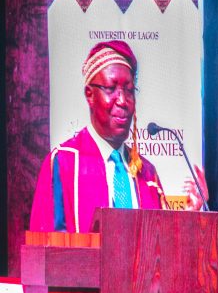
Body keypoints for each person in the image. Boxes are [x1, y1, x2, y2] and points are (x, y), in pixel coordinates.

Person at [29, 40, 206, 233]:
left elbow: (160, 244)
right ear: (89, 95)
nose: (122, 100)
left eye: (129, 90)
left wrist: (190, 216)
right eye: (111, 89)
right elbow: (46, 243)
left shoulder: (147, 174)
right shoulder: (64, 163)